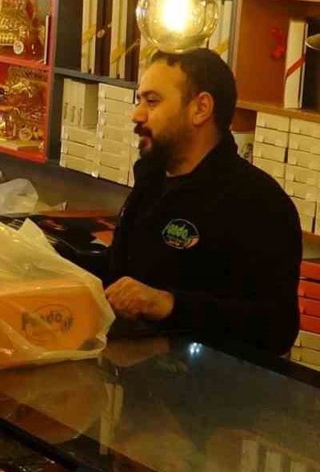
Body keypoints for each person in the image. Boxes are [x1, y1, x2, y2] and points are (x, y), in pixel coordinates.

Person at [105, 48, 301, 357]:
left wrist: (169, 304)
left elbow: (276, 328)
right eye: (138, 100)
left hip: (216, 395)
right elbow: (119, 275)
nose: (137, 114)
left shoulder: (257, 202)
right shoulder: (152, 182)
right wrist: (41, 254)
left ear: (201, 109)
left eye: (152, 101)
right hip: (140, 386)